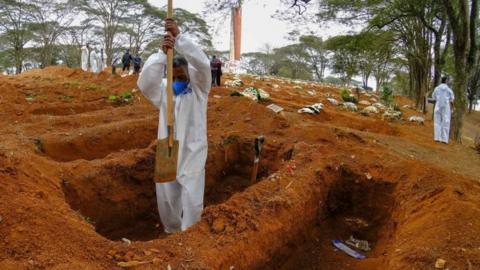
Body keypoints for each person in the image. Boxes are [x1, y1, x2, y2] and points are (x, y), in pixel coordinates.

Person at [137, 18, 211, 233]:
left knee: (192, 196)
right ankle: (172, 231)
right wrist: (162, 54)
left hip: (192, 149)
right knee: (167, 194)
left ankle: (189, 236)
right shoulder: (164, 90)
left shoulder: (199, 90)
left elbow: (203, 64)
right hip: (167, 146)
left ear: (189, 76)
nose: (178, 80)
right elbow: (144, 83)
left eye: (182, 77)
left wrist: (179, 39)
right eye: (174, 77)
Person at [432, 76, 455, 144]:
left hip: (438, 105)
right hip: (446, 106)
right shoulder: (449, 90)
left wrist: (438, 100)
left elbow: (433, 97)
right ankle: (444, 139)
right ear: (446, 81)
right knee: (446, 122)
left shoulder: (436, 88)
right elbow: (452, 100)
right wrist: (453, 107)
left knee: (437, 121)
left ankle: (437, 138)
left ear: (441, 81)